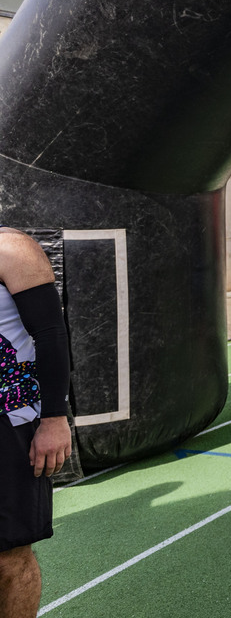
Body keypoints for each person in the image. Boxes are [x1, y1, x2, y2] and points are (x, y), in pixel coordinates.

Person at [0, 228, 71, 618]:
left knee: (7, 557)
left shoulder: (10, 248)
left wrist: (54, 419)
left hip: (9, 421)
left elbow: (51, 335)